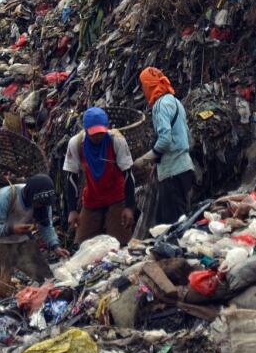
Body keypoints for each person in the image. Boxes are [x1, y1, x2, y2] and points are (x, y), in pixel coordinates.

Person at [62, 107, 138, 246]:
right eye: (93, 134)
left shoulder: (117, 141)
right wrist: (72, 210)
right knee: (83, 244)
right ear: (85, 129)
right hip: (92, 198)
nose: (97, 137)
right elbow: (71, 177)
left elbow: (128, 174)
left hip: (116, 196)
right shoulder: (76, 143)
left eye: (100, 133)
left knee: (120, 244)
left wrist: (129, 207)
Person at [0, 174, 68, 283]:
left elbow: (46, 225)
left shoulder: (44, 202)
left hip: (24, 239)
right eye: (37, 204)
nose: (38, 207)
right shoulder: (6, 195)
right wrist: (12, 229)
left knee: (45, 278)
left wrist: (55, 246)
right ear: (28, 194)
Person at [139, 67, 195, 226]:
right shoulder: (175, 101)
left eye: (144, 86)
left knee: (170, 226)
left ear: (149, 86)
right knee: (175, 221)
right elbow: (188, 137)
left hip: (173, 173)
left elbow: (165, 139)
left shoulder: (160, 105)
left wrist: (145, 159)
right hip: (184, 168)